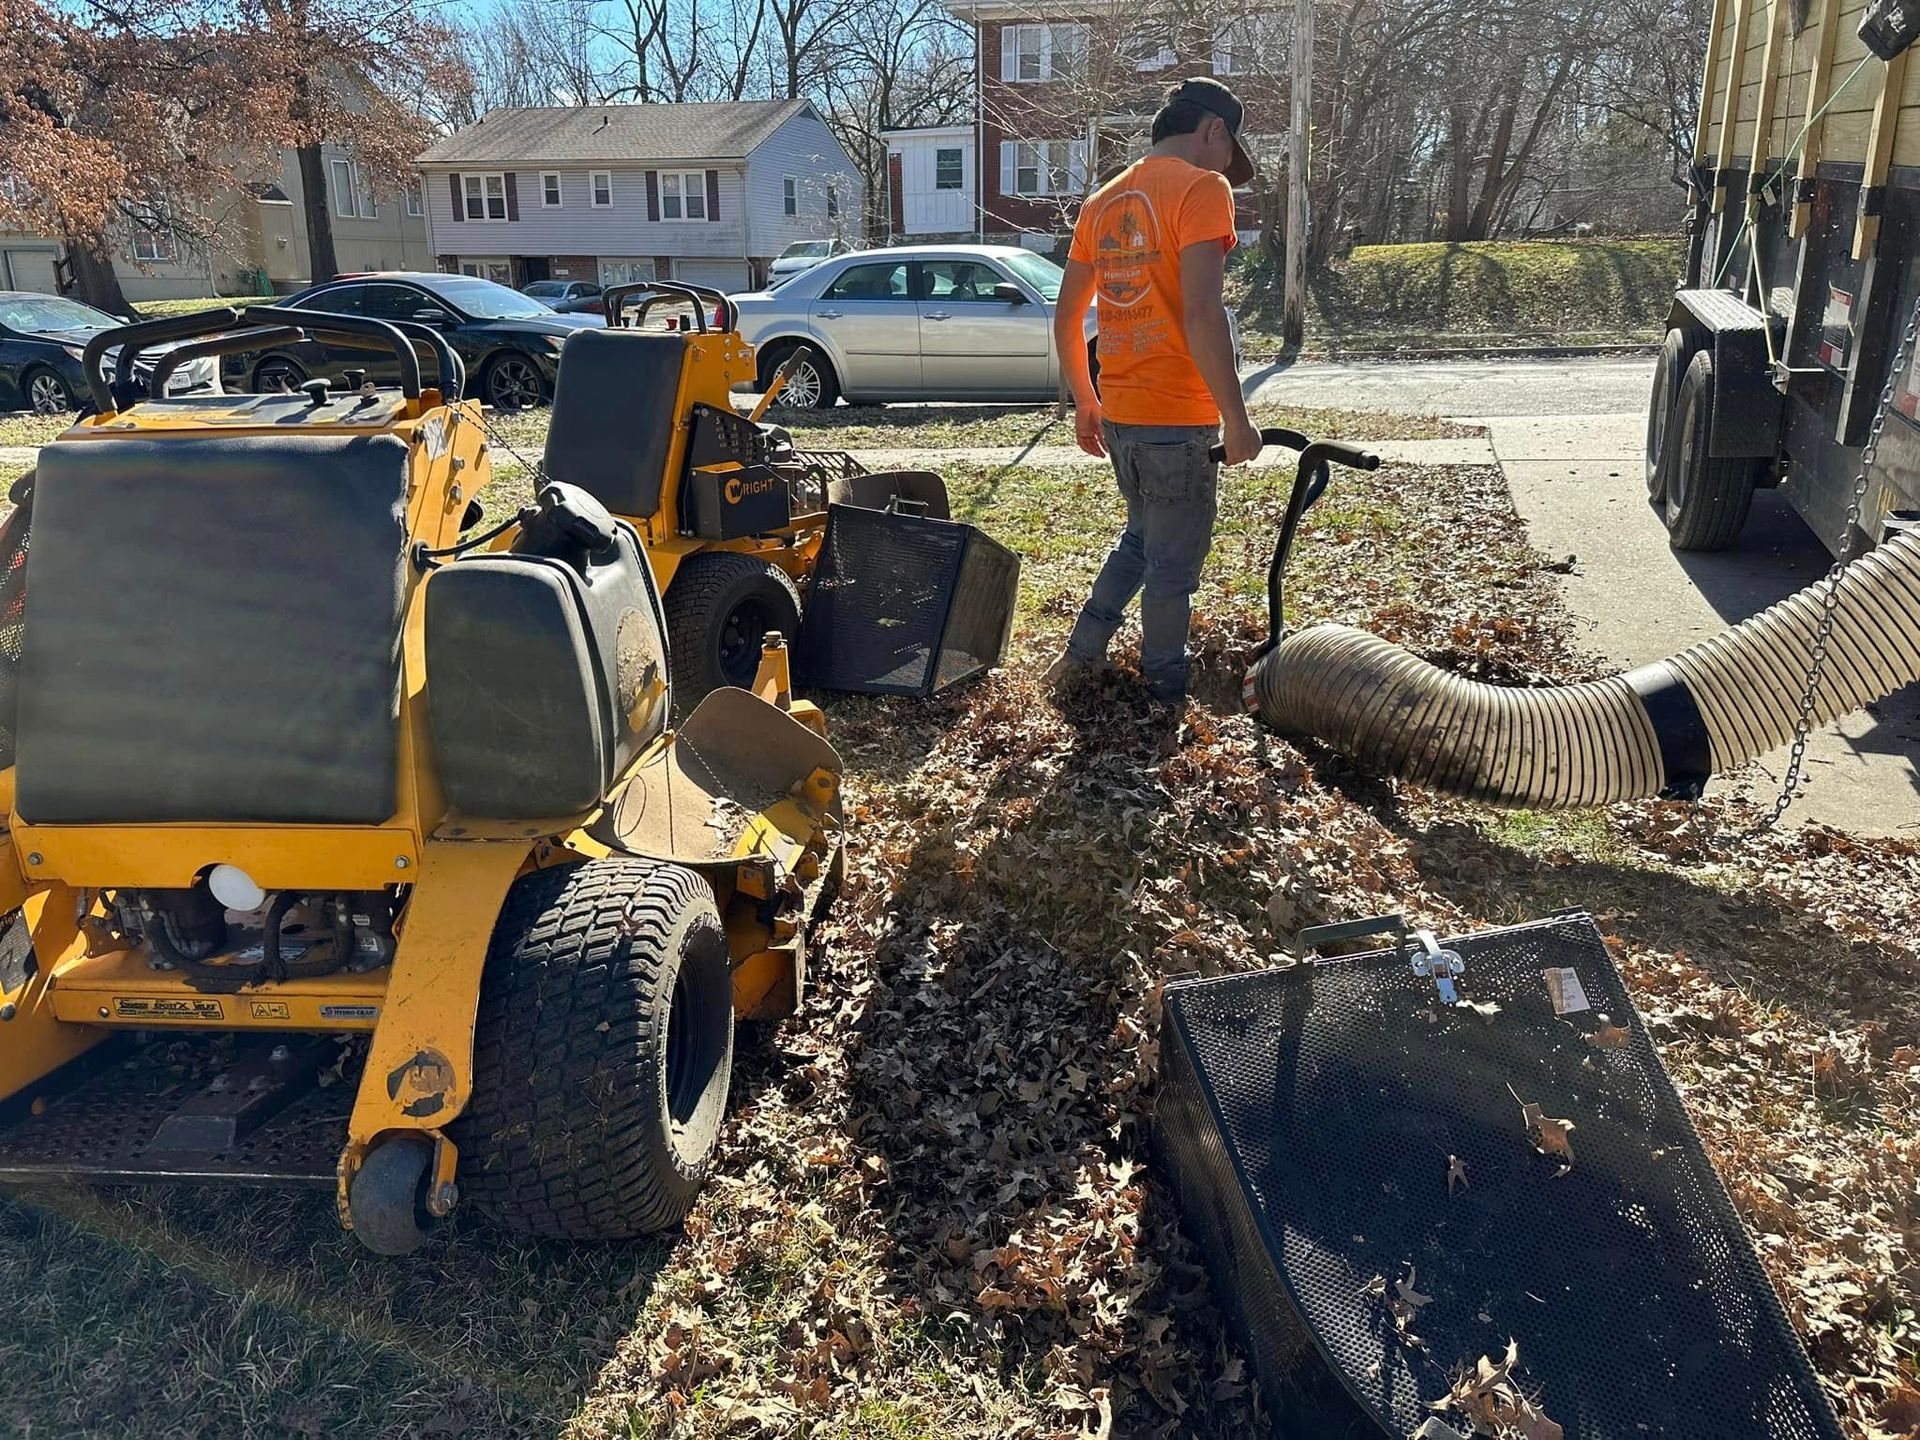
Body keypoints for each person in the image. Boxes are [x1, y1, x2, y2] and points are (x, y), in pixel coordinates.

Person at [1045, 76, 1262, 708]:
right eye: (1229, 149)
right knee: (1173, 564)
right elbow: (1203, 314)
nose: (1228, 165)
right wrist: (1236, 418)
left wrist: (1087, 400)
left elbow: (1066, 318)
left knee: (1142, 538)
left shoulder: (1105, 199)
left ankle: (1080, 656)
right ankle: (1165, 693)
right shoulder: (1202, 188)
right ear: (1213, 130)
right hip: (1176, 415)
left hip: (1122, 412)